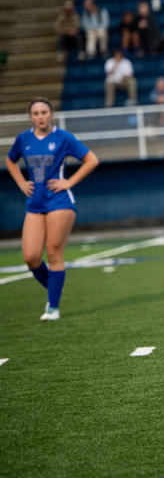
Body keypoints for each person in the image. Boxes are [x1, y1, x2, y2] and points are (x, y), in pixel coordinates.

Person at [5, 98, 99, 321]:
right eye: (36, 113)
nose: (40, 117)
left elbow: (91, 160)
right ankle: (55, 286)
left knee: (54, 251)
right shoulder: (23, 139)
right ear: (31, 117)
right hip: (35, 204)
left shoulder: (63, 137)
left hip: (59, 201)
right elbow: (11, 161)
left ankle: (53, 308)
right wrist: (20, 182)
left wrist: (68, 182)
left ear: (51, 114)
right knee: (31, 257)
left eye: (44, 112)